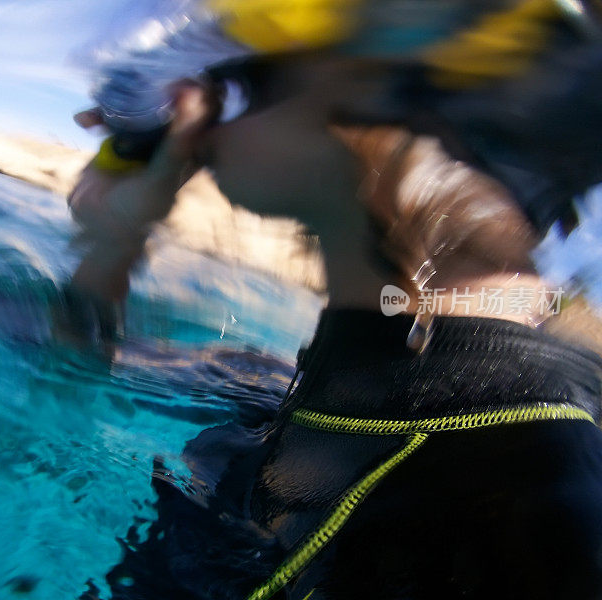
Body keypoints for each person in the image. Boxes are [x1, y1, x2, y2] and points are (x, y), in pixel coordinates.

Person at [61, 9, 602, 600]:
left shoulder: (519, 512)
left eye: (245, 81)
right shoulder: (382, 384)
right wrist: (114, 246)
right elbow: (64, 377)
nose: (193, 108)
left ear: (392, 101)